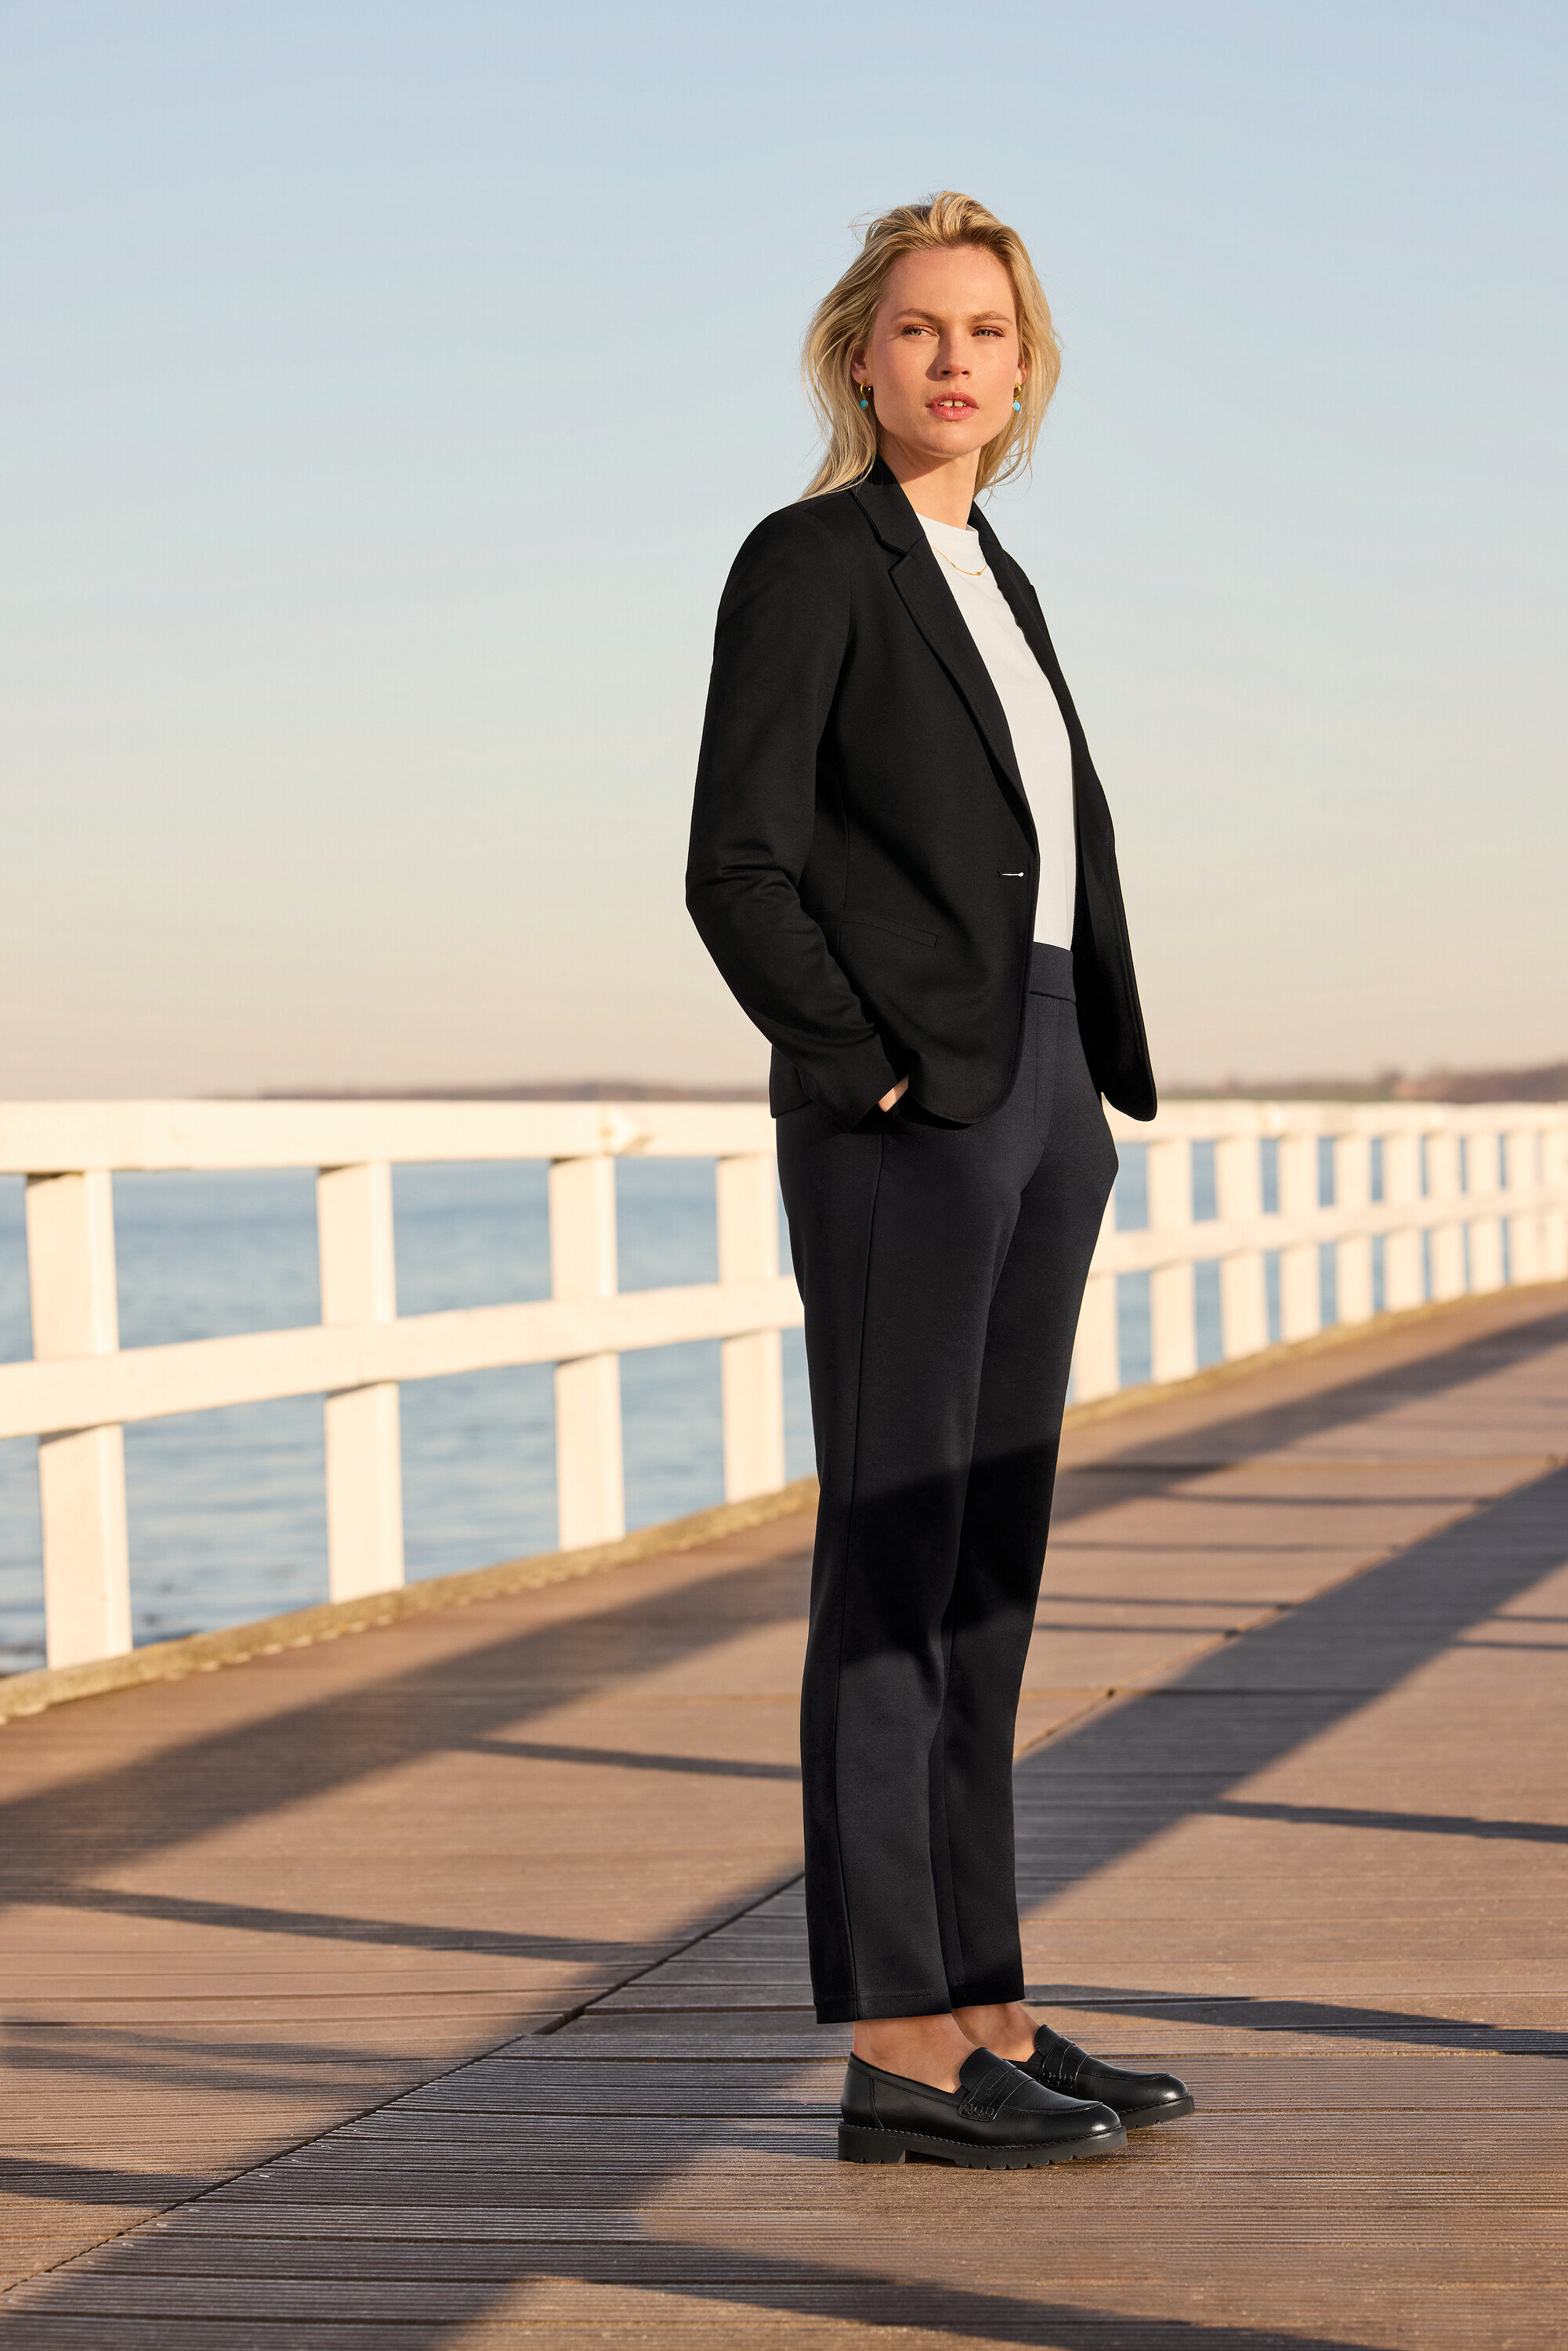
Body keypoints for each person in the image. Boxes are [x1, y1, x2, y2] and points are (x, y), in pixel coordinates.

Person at [686, 192, 1193, 2170]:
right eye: (916, 331)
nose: (953, 361)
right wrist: (875, 1065)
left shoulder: (1001, 575)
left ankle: (981, 1999)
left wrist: (1052, 1064)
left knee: (987, 1561)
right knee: (892, 1563)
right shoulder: (811, 564)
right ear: (856, 356)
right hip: (919, 1106)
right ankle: (895, 2047)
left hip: (1051, 1075)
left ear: (1024, 365)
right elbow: (737, 863)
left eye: (986, 331)